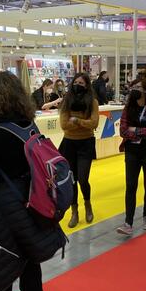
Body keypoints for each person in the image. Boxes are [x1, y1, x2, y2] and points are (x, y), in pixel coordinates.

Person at [0, 71, 46, 291]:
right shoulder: (29, 126)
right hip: (33, 205)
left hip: (4, 213)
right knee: (31, 276)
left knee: (1, 277)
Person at [116, 79, 146, 236]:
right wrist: (142, 130)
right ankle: (128, 222)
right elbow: (123, 131)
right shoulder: (128, 108)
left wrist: (134, 130)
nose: (134, 89)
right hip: (132, 151)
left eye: (138, 87)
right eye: (133, 87)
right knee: (130, 185)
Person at [59, 73, 99, 228]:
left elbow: (94, 123)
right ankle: (74, 211)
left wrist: (75, 120)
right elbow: (64, 124)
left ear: (87, 85)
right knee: (72, 180)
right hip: (68, 144)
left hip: (86, 144)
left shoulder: (93, 102)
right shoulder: (66, 101)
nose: (78, 85)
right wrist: (84, 122)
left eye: (81, 83)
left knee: (83, 178)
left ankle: (88, 205)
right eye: (75, 82)